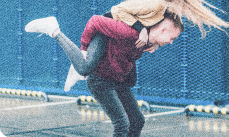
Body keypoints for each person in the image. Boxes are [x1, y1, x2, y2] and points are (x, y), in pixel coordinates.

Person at [63, 0, 229, 91]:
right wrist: (141, 29)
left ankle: (82, 71)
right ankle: (67, 50)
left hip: (122, 36)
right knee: (85, 66)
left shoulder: (169, 13)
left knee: (129, 80)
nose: (196, 2)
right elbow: (118, 10)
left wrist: (154, 43)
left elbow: (158, 31)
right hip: (107, 28)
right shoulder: (157, 4)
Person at [25, 12, 183, 137]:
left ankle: (80, 65)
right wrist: (84, 50)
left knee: (137, 120)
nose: (171, 42)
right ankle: (55, 31)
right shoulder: (130, 32)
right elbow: (95, 20)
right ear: (163, 30)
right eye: (172, 38)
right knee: (122, 124)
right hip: (100, 80)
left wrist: (153, 42)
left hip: (117, 79)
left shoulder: (147, 41)